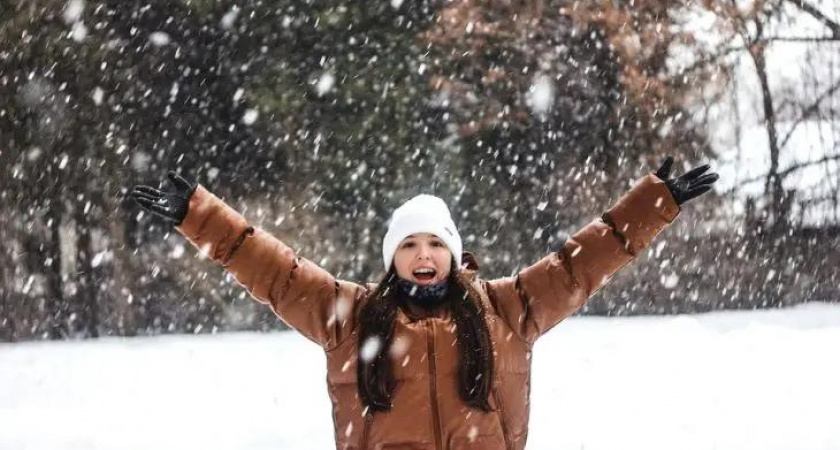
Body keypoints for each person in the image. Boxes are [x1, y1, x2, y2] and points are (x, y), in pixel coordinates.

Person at [130, 156, 718, 450]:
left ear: (454, 252)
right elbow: (277, 272)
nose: (423, 253)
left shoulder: (506, 310)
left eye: (435, 242)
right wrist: (198, 216)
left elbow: (578, 266)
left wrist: (653, 204)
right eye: (409, 244)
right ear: (392, 257)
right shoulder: (352, 317)